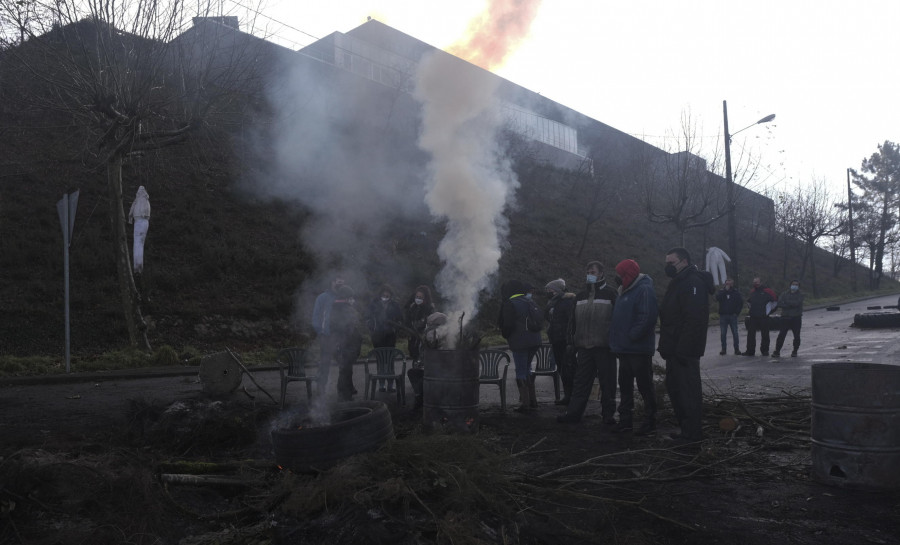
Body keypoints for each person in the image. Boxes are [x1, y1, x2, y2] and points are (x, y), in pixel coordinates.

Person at [658, 247, 714, 442]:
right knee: (676, 390)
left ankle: (692, 435)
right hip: (675, 349)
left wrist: (683, 349)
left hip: (684, 352)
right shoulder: (679, 282)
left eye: (671, 263)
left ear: (684, 262)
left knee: (687, 393)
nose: (668, 267)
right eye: (667, 263)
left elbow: (694, 319)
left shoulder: (692, 283)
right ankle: (685, 431)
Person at [557, 261, 618, 424]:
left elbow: (618, 321)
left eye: (593, 271)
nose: (590, 274)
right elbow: (572, 321)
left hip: (605, 347)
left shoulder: (611, 294)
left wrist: (615, 342)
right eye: (588, 271)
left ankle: (608, 415)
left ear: (601, 274)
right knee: (581, 383)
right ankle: (574, 414)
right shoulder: (580, 296)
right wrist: (571, 342)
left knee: (608, 383)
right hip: (584, 347)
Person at [609, 259, 659, 435]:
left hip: (638, 350)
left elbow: (647, 317)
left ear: (628, 274)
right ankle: (625, 420)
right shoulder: (623, 291)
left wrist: (632, 336)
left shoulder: (644, 289)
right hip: (624, 349)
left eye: (620, 273)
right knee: (625, 386)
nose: (617, 277)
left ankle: (650, 420)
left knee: (645, 386)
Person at [498, 279, 543, 412]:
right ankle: (533, 401)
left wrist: (506, 335)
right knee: (527, 368)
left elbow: (507, 325)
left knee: (521, 371)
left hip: (520, 341)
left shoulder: (510, 303)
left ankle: (525, 404)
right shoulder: (529, 300)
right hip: (535, 340)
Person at [406, 312, 448, 410]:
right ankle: (420, 397)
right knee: (414, 373)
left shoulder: (436, 333)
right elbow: (422, 353)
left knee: (416, 374)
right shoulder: (429, 333)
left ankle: (422, 398)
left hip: (440, 369)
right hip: (429, 366)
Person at [365, 284, 404, 392]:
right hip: (377, 336)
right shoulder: (374, 304)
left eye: (387, 295)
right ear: (380, 294)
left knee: (390, 359)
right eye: (384, 294)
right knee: (380, 359)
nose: (385, 296)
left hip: (390, 335)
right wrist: (372, 327)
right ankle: (381, 384)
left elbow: (400, 318)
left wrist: (395, 328)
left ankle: (390, 384)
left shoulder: (395, 305)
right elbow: (367, 317)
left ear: (390, 295)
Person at [544, 278, 576, 405]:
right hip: (556, 339)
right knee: (562, 369)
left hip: (564, 340)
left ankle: (571, 396)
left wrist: (570, 338)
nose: (548, 291)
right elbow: (548, 317)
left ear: (556, 290)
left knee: (568, 368)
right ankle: (567, 395)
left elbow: (571, 321)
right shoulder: (553, 302)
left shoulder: (567, 302)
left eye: (550, 289)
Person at [311, 274, 345, 393]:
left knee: (344, 364)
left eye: (342, 282)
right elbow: (316, 317)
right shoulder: (323, 297)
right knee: (324, 363)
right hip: (327, 336)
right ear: (332, 282)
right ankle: (321, 391)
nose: (340, 284)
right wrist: (321, 332)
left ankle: (344, 392)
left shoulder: (345, 297)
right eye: (338, 282)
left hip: (341, 337)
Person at [330, 285, 362, 401]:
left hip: (338, 346)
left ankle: (346, 391)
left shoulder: (334, 308)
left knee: (345, 369)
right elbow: (350, 331)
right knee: (345, 370)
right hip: (346, 346)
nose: (352, 299)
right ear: (347, 297)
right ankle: (344, 395)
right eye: (351, 297)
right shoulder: (346, 310)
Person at [743, 277, 777, 356]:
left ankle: (765, 351)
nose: (755, 283)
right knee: (751, 334)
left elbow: (775, 302)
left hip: (763, 317)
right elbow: (749, 302)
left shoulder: (768, 291)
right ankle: (750, 351)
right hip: (753, 316)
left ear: (761, 282)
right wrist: (751, 310)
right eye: (754, 282)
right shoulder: (752, 291)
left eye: (757, 282)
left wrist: (768, 312)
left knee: (765, 334)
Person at [404, 285, 435, 367]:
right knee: (414, 356)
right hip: (413, 337)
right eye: (417, 296)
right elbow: (407, 320)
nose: (418, 299)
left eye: (421, 297)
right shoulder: (412, 307)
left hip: (423, 338)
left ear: (425, 298)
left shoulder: (429, 309)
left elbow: (431, 323)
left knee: (423, 358)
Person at [773, 280, 804, 358]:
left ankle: (795, 351)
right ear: (790, 285)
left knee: (796, 336)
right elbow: (779, 303)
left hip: (796, 317)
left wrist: (786, 303)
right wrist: (789, 304)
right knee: (781, 335)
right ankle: (777, 351)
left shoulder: (800, 294)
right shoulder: (784, 293)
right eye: (793, 284)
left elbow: (796, 303)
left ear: (798, 286)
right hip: (785, 317)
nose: (794, 286)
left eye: (796, 285)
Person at [716, 278, 744, 356]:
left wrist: (737, 313)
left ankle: (736, 349)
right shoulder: (721, 291)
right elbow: (717, 298)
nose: (728, 285)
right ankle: (723, 349)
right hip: (723, 315)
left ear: (732, 284)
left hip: (732, 315)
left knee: (735, 333)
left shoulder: (736, 292)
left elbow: (740, 303)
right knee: (723, 333)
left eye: (729, 284)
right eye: (727, 284)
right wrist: (725, 290)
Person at [127, 185, 150, 274]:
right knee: (141, 243)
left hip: (138, 221)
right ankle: (139, 266)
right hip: (145, 222)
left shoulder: (137, 200)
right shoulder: (146, 200)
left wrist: (130, 219)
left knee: (137, 243)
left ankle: (137, 266)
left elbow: (131, 211)